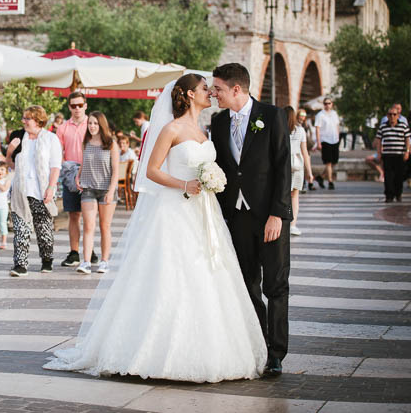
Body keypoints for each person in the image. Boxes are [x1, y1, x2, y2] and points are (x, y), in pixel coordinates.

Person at [45, 73, 267, 381]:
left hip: (205, 213)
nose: (211, 93)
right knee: (173, 274)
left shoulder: (204, 129)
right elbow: (150, 171)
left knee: (208, 273)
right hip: (174, 211)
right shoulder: (171, 128)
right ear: (189, 95)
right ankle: (156, 351)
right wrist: (184, 184)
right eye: (205, 89)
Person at [210, 63, 292, 376]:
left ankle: (276, 353)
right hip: (238, 217)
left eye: (217, 88)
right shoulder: (218, 122)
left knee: (275, 285)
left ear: (236, 89)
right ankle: (258, 343)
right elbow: (223, 167)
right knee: (246, 284)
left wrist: (278, 214)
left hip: (270, 217)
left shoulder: (272, 116)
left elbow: (283, 166)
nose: (213, 93)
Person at [6, 105, 62, 276]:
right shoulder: (18, 137)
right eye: (23, 118)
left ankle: (47, 259)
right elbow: (10, 164)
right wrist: (9, 151)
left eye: (27, 118)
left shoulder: (51, 139)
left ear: (38, 120)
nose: (23, 121)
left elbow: (55, 166)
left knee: (43, 230)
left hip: (41, 191)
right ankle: (20, 265)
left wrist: (51, 188)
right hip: (21, 191)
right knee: (21, 230)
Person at [56, 92, 97, 267]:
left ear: (85, 105)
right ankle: (74, 252)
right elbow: (58, 153)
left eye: (80, 105)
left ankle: (90, 249)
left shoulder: (93, 125)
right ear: (69, 107)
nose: (77, 108)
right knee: (73, 214)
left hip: (91, 174)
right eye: (73, 105)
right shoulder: (63, 128)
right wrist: (64, 170)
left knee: (90, 216)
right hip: (71, 176)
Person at [75, 111, 119, 274]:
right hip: (88, 188)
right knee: (88, 225)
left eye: (95, 123)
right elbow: (84, 162)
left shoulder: (111, 144)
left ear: (101, 125)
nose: (92, 126)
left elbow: (116, 171)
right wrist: (78, 176)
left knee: (104, 226)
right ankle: (86, 262)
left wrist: (111, 191)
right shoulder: (85, 141)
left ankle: (104, 261)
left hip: (106, 189)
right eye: (90, 123)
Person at [285, 106, 313, 236]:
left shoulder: (280, 129)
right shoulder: (300, 130)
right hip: (297, 166)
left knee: (282, 195)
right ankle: (293, 225)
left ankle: (283, 222)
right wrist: (310, 172)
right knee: (294, 196)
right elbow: (305, 152)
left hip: (283, 165)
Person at [376, 108, 411, 202]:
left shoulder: (403, 126)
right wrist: (379, 153)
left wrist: (407, 151)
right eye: (390, 114)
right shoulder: (383, 127)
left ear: (398, 116)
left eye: (394, 114)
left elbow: (407, 139)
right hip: (387, 155)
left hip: (399, 154)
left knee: (398, 176)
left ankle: (398, 194)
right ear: (387, 115)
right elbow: (378, 140)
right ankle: (389, 195)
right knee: (388, 176)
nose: (392, 116)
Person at [314, 97, 340, 190]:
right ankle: (330, 181)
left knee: (334, 162)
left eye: (329, 103)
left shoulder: (334, 114)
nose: (327, 105)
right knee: (328, 162)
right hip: (325, 140)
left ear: (332, 104)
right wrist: (318, 142)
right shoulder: (320, 115)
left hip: (335, 140)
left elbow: (337, 126)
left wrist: (338, 137)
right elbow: (317, 128)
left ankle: (321, 177)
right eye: (325, 103)